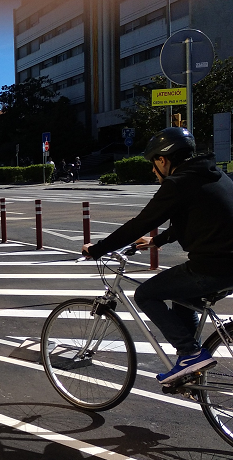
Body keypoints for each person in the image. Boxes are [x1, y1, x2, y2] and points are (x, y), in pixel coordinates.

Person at [82, 127, 233, 385]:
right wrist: (157, 240)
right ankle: (191, 365)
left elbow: (139, 223)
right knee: (181, 295)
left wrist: (98, 249)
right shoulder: (215, 174)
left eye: (154, 164)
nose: (154, 171)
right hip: (227, 265)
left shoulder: (178, 183)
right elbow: (199, 218)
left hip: (213, 267)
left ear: (163, 160)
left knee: (146, 294)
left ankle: (190, 353)